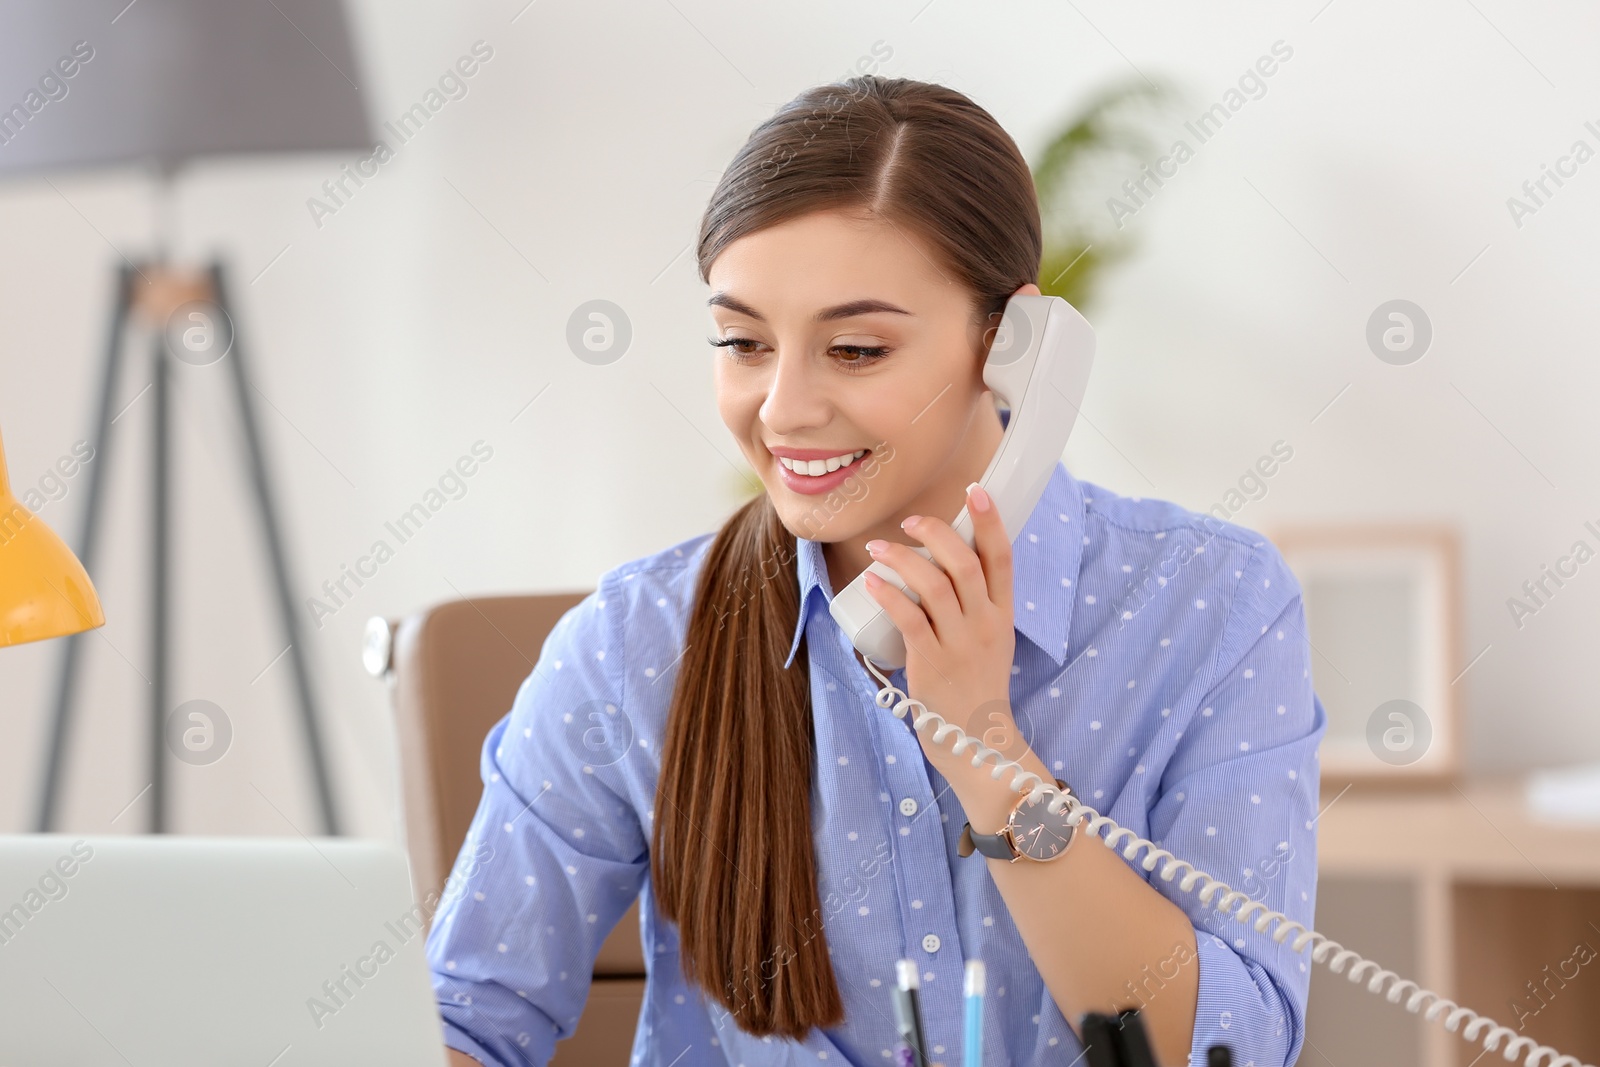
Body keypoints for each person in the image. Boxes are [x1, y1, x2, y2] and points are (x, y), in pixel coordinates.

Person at [428, 74, 1326, 1067]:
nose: (782, 409)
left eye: (855, 348)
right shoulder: (634, 644)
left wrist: (989, 753)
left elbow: (1226, 1045)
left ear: (1010, 343)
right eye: (742, 343)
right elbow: (463, 1021)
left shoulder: (1209, 604)